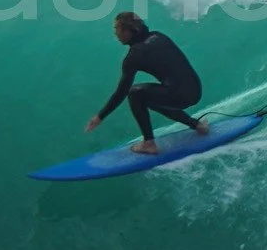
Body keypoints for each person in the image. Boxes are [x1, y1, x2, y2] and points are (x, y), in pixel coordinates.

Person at [86, 11, 210, 154]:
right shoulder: (158, 36)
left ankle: (149, 143)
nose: (115, 33)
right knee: (150, 98)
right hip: (195, 90)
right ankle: (197, 125)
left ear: (128, 32)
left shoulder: (134, 56)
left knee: (134, 93)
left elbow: (122, 92)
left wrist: (100, 116)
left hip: (180, 96)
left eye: (117, 29)